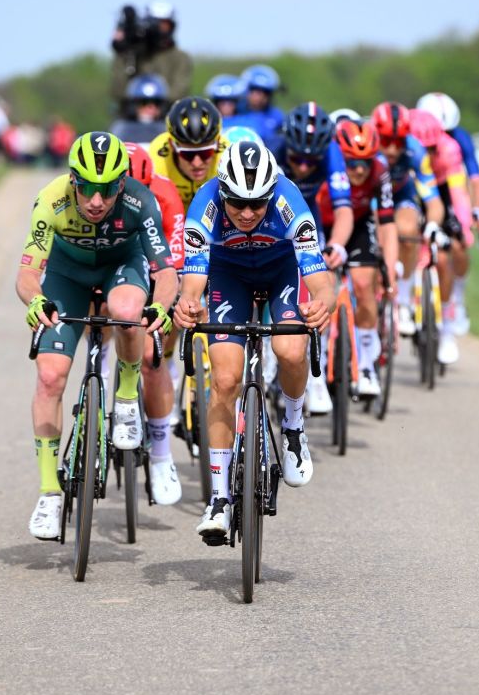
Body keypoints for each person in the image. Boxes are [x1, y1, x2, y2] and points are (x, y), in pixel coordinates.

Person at [17, 132, 178, 540]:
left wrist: (160, 306)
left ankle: (125, 397)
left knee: (127, 313)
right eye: (87, 187)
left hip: (121, 268)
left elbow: (165, 272)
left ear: (121, 183)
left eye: (106, 190)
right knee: (50, 377)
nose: (95, 201)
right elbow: (28, 273)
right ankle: (49, 494)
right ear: (73, 179)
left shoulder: (140, 201)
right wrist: (35, 301)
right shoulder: (50, 200)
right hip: (66, 276)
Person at [173, 141, 335, 541]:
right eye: (237, 204)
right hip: (229, 276)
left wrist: (323, 303)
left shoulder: (288, 201)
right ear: (222, 192)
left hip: (281, 272)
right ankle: (219, 499)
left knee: (290, 349)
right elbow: (193, 280)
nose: (247, 213)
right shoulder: (205, 206)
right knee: (225, 380)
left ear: (271, 194)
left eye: (257, 204)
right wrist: (188, 304)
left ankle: (293, 427)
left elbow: (319, 278)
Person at [275, 101, 353, 415]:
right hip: (273, 218)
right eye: (298, 159)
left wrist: (337, 245)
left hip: (309, 218)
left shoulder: (332, 153)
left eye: (312, 161)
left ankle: (315, 369)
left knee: (323, 281)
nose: (305, 167)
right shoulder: (275, 149)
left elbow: (344, 209)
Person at [317, 118, 399, 397]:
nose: (360, 170)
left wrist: (389, 270)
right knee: (323, 287)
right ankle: (318, 361)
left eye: (365, 162)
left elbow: (387, 223)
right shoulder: (326, 166)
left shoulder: (380, 171)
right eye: (351, 162)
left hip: (359, 225)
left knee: (365, 283)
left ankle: (365, 364)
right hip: (323, 225)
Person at [123, 142, 185, 504]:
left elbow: (173, 259)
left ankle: (162, 455)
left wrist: (166, 299)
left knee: (152, 357)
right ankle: (103, 365)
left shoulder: (165, 192)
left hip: (158, 266)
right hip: (119, 265)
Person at [416, 92, 479, 336]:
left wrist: (474, 212)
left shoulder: (458, 142)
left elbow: (472, 181)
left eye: (448, 132)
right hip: (418, 187)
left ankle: (457, 296)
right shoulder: (411, 140)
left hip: (446, 187)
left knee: (458, 244)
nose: (441, 138)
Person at [368, 101, 445, 340]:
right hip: (370, 197)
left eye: (398, 141)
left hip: (401, 197)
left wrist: (432, 225)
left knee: (409, 230)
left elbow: (433, 201)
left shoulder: (415, 151)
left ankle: (403, 300)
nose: (392, 149)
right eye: (386, 141)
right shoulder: (366, 146)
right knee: (377, 236)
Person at [109, 0, 193, 109]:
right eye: (154, 24)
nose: (158, 30)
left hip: (166, 114)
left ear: (172, 27)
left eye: (163, 25)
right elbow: (118, 91)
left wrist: (153, 104)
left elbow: (178, 93)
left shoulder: (180, 58)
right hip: (133, 115)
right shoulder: (135, 54)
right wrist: (122, 51)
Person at [150, 96, 227, 211]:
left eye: (205, 152)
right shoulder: (156, 161)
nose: (197, 163)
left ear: (218, 143)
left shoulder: (227, 159)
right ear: (172, 145)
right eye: (188, 154)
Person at [108, 74, 169, 146]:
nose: (149, 108)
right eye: (143, 102)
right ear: (133, 105)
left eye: (156, 103)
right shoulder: (120, 129)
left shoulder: (167, 130)